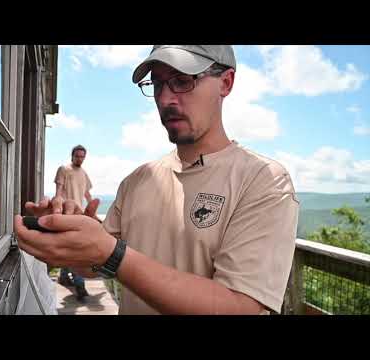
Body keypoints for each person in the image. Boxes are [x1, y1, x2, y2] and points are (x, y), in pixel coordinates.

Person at [15, 45, 299, 315]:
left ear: (226, 82)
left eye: (183, 80)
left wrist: (112, 255)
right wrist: (69, 233)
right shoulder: (138, 180)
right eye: (158, 84)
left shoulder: (265, 181)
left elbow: (238, 306)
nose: (165, 99)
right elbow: (93, 266)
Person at [36, 145, 93, 301]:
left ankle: (64, 277)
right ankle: (80, 287)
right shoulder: (64, 169)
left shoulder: (84, 173)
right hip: (67, 214)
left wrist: (91, 208)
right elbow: (58, 192)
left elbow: (86, 193)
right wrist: (57, 210)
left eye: (82, 156)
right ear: (72, 156)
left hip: (79, 215)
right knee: (75, 251)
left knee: (70, 249)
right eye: (77, 156)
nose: (80, 159)